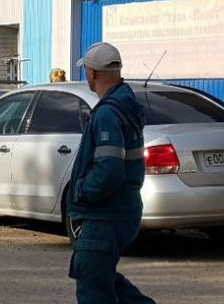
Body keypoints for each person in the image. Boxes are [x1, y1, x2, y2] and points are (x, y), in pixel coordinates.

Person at [66, 42, 156, 304]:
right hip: (119, 213)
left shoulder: (107, 113)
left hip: (104, 216)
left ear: (92, 73)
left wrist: (82, 191)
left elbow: (109, 170)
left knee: (92, 284)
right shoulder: (124, 105)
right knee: (102, 279)